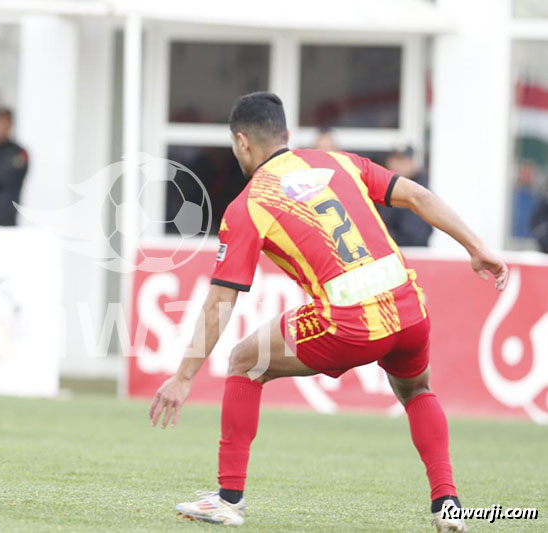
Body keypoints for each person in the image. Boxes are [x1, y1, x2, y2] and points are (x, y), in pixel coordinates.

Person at [148, 92, 508, 531]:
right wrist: (478, 248)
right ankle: (447, 504)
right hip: (409, 307)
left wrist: (184, 376)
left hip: (349, 322)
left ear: (242, 143)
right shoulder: (339, 163)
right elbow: (415, 195)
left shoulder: (250, 205)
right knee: (416, 391)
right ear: (287, 135)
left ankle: (227, 500)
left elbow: (222, 299)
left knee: (245, 361)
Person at [377, 144, 434, 246]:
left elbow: (415, 233)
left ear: (412, 163)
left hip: (414, 252)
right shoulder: (380, 187)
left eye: (403, 161)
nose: (399, 165)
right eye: (395, 160)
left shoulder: (421, 190)